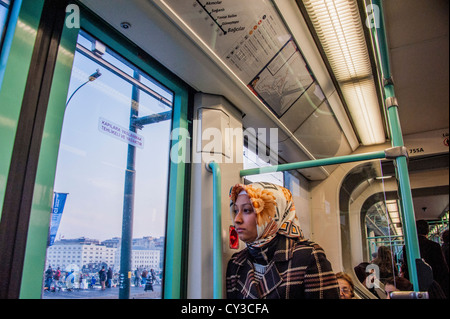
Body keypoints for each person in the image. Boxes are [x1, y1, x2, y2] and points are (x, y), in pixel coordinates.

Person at [226, 182, 339, 299]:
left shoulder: (307, 257)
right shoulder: (236, 263)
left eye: (247, 210)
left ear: (272, 213)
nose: (237, 219)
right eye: (235, 210)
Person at [402, 220, 449, 298]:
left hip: (414, 284)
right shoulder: (435, 246)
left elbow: (406, 266)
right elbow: (442, 269)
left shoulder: (406, 247)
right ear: (427, 231)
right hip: (433, 285)